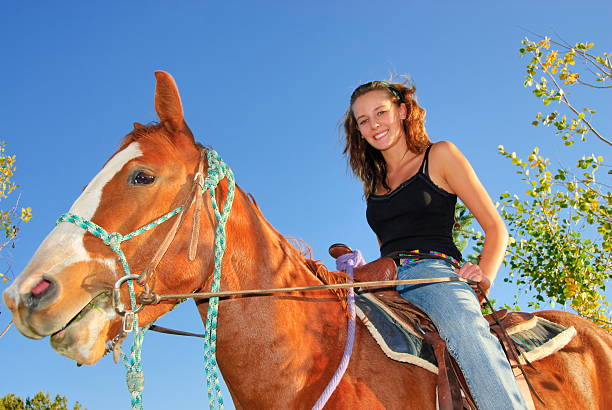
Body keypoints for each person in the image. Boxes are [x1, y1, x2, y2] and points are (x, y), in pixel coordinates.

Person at [342, 80, 528, 410]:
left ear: (401, 111)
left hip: (434, 273)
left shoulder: (439, 155)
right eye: (364, 120)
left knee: (464, 331)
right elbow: (388, 244)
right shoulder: (374, 185)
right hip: (383, 280)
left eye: (380, 113)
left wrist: (484, 275)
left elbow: (496, 228)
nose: (374, 125)